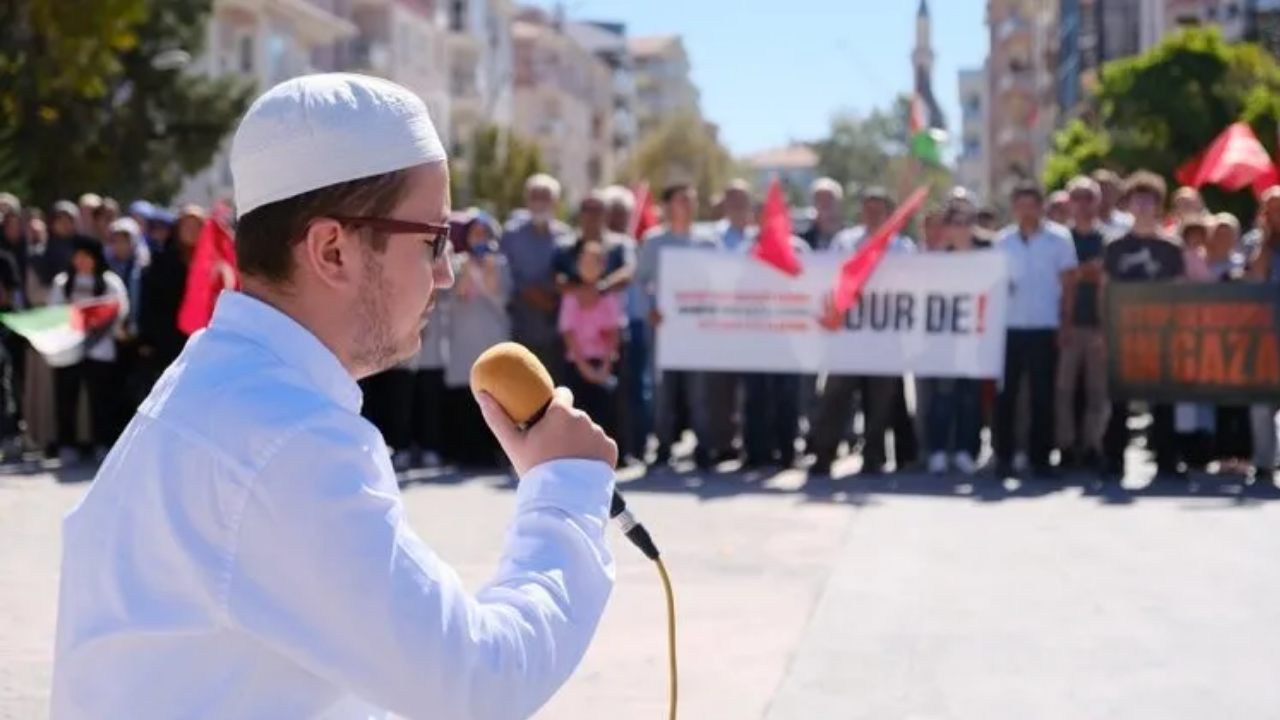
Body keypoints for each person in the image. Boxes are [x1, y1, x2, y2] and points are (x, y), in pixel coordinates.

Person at [51, 73, 618, 720]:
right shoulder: (280, 435)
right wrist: (564, 490)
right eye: (433, 240)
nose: (445, 272)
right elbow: (473, 683)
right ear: (331, 249)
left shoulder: (232, 388)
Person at [559, 236, 624, 437]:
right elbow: (568, 333)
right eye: (583, 261)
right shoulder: (570, 297)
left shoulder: (610, 298)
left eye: (593, 262)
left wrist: (606, 366)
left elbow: (614, 333)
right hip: (577, 364)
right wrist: (584, 367)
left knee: (606, 414)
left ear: (603, 265)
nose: (588, 267)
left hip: (603, 364)